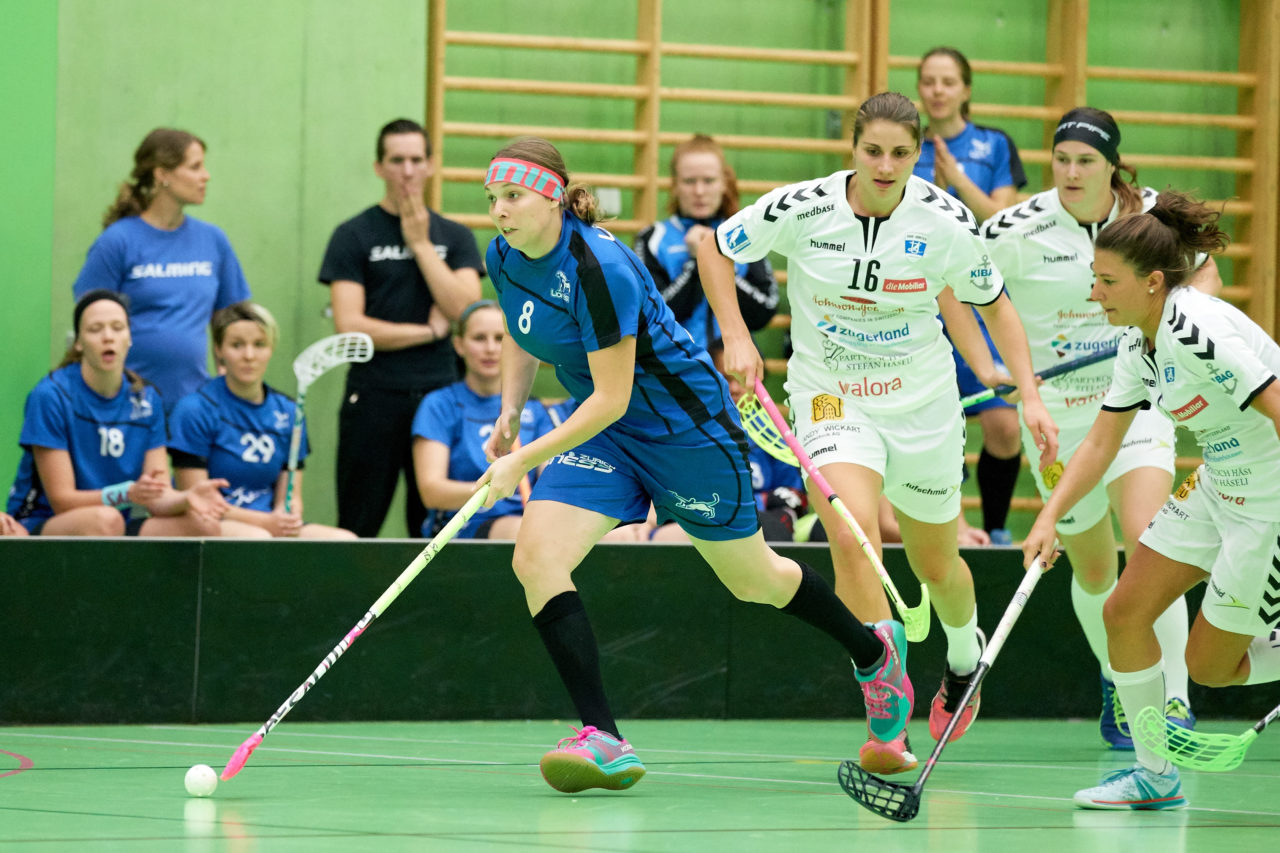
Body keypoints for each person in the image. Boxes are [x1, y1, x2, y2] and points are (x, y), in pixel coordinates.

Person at [479, 136, 913, 795]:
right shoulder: (505, 256)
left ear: (554, 197)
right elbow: (522, 327)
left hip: (685, 432)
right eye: (492, 199)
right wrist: (510, 412)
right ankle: (605, 738)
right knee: (535, 556)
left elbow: (611, 395)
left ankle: (874, 653)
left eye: (512, 196)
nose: (499, 211)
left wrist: (522, 461)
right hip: (607, 438)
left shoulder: (601, 268)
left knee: (755, 580)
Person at [700, 92, 1058, 774]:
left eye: (901, 152)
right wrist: (737, 338)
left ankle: (962, 656)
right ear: (853, 150)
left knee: (935, 563)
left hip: (922, 405)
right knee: (850, 531)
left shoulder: (946, 220)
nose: (887, 165)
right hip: (832, 397)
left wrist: (1031, 395)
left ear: (918, 152)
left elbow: (995, 305)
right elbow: (715, 248)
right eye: (874, 151)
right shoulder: (802, 206)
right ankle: (885, 708)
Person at [1021, 190, 1280, 809]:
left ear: (1153, 282)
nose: (1094, 295)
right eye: (1094, 279)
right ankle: (1154, 775)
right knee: (1124, 612)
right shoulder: (1140, 343)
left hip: (1268, 503)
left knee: (1210, 667)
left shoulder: (1198, 329)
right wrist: (1049, 517)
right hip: (1219, 483)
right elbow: (1102, 441)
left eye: (1107, 282)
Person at [982, 107, 1214, 749]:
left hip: (1137, 401)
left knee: (1148, 546)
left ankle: (1171, 704)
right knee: (1091, 572)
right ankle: (1120, 675)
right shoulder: (1015, 228)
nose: (1071, 171)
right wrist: (994, 368)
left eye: (1086, 160)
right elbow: (958, 284)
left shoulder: (1150, 215)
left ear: (1112, 164)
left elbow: (1203, 272)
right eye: (1061, 159)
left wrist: (1186, 317)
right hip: (1056, 418)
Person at [319, 118, 484, 538]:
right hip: (373, 396)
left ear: (430, 164)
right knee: (358, 524)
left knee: (432, 527)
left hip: (441, 397)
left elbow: (466, 311)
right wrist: (428, 332)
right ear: (379, 167)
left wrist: (421, 245)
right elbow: (350, 327)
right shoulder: (352, 235)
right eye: (396, 160)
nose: (407, 171)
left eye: (415, 159)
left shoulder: (455, 237)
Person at [916, 47, 1029, 542]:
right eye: (928, 81)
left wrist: (953, 180)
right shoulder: (901, 147)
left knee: (1004, 426)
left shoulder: (994, 146)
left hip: (981, 304)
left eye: (947, 81)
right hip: (925, 310)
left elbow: (999, 223)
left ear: (966, 89)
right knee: (941, 430)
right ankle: (955, 532)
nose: (937, 90)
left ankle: (998, 529)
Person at [6, 290, 229, 537]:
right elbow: (61, 500)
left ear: (129, 338)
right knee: (105, 520)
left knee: (202, 525)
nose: (108, 337)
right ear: (79, 343)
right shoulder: (51, 396)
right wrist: (127, 493)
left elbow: (158, 495)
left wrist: (187, 498)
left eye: (117, 328)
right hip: (44, 521)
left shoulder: (146, 399)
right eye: (95, 329)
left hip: (115, 525)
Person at [72, 128, 251, 413]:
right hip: (124, 402)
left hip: (193, 404)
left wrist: (230, 385)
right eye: (195, 167)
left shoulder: (213, 240)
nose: (206, 176)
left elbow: (233, 323)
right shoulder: (117, 241)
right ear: (162, 175)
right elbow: (90, 322)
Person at [167, 301, 356, 540]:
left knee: (344, 541)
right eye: (237, 345)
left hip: (269, 522)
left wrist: (288, 515)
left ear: (271, 348)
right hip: (211, 522)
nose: (249, 355)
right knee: (257, 539)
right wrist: (266, 523)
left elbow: (291, 494)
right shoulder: (195, 409)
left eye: (259, 345)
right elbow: (194, 498)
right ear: (219, 350)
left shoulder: (288, 412)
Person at [412, 300, 553, 540]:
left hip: (531, 520)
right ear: (459, 345)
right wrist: (498, 488)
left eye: (500, 338)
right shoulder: (439, 405)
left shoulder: (534, 409)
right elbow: (432, 491)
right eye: (479, 338)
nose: (490, 348)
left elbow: (551, 477)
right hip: (466, 523)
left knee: (616, 535)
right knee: (526, 534)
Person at [634, 134, 778, 351]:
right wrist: (697, 262)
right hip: (675, 372)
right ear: (674, 186)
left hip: (735, 375)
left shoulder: (746, 235)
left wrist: (719, 260)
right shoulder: (652, 238)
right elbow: (649, 316)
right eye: (689, 181)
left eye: (709, 181)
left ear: (723, 184)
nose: (699, 191)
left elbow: (764, 312)